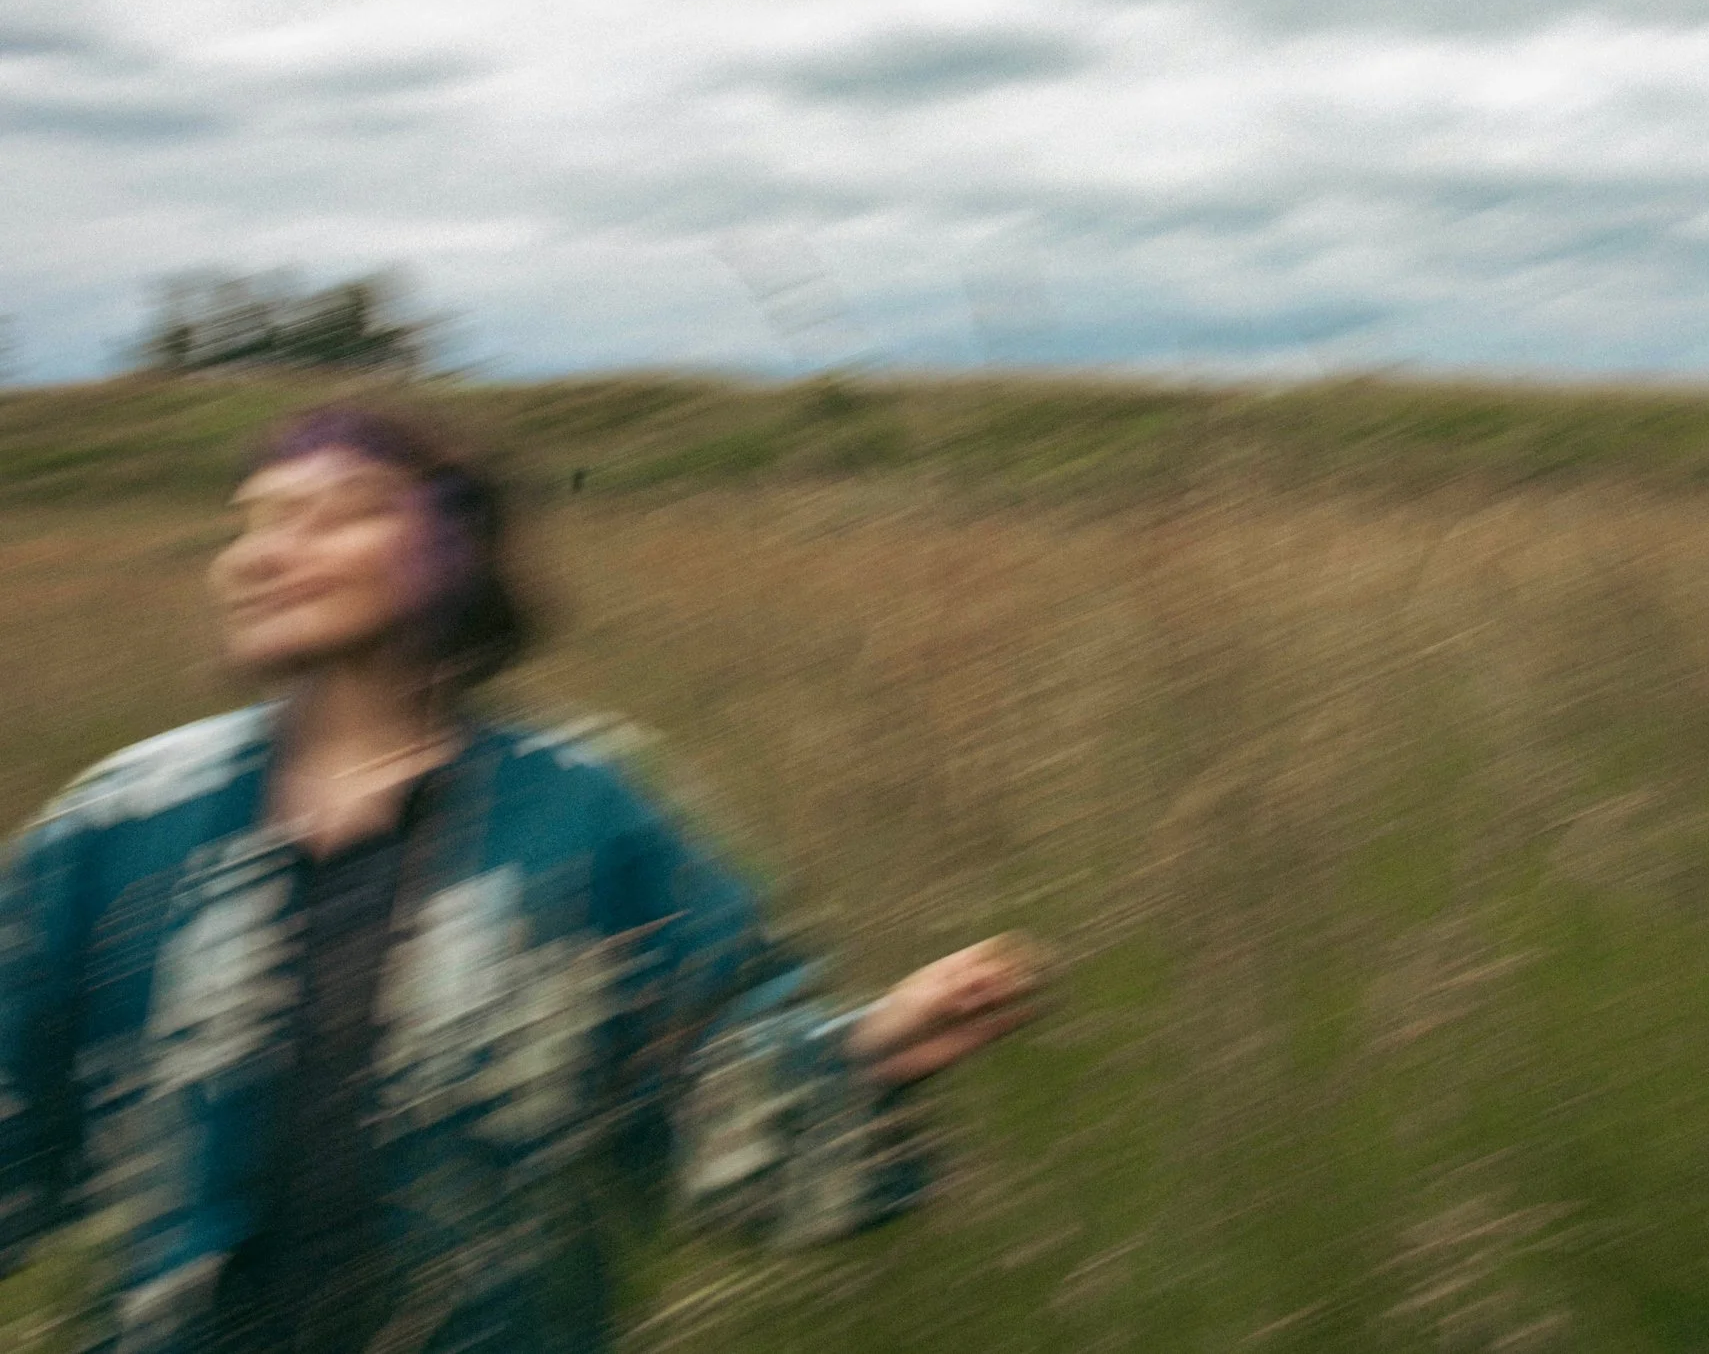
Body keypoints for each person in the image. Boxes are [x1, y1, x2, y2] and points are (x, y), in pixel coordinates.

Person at [0, 405, 1043, 1354]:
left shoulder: (586, 809)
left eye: (337, 514)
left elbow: (699, 1070)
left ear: (452, 552)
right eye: (258, 519)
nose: (270, 552)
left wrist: (863, 1052)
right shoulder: (124, 820)